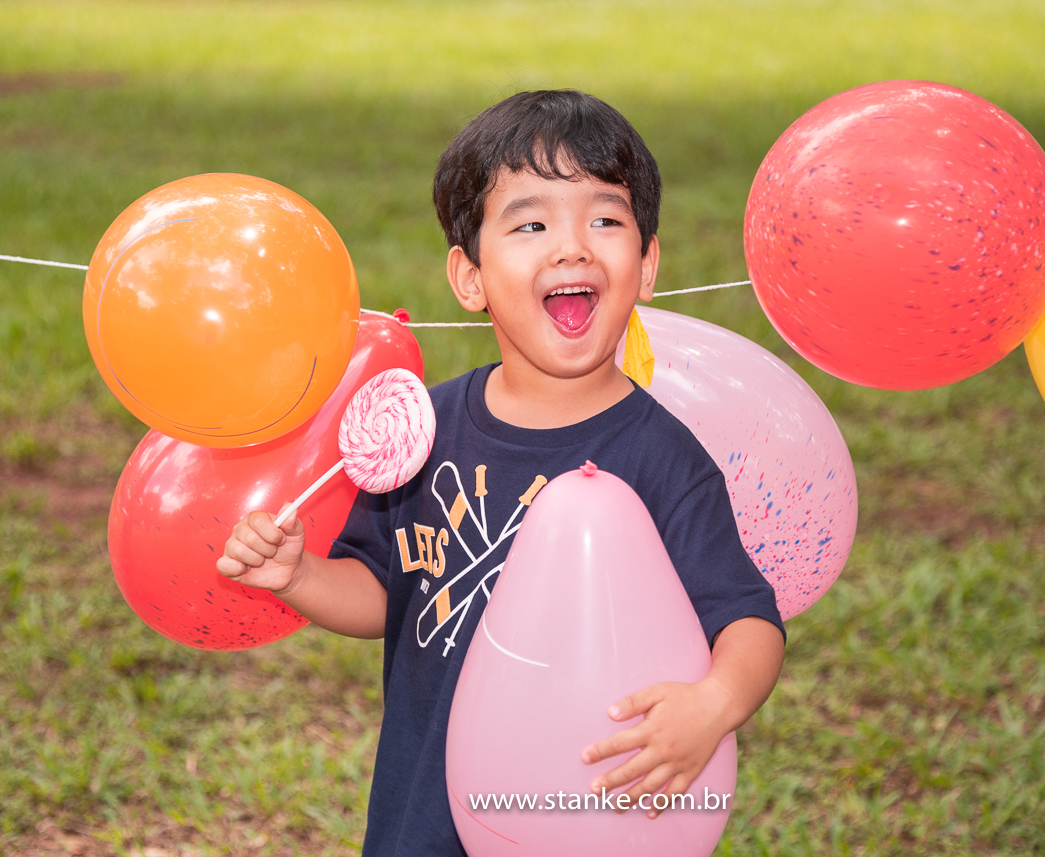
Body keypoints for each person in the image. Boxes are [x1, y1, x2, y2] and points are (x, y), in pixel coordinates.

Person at [217, 89, 785, 857]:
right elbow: (387, 591)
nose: (572, 247)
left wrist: (713, 704)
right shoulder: (423, 431)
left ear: (647, 264)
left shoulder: (664, 458)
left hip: (586, 807)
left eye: (605, 220)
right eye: (530, 223)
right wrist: (299, 575)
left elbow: (748, 620)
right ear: (470, 276)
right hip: (426, 814)